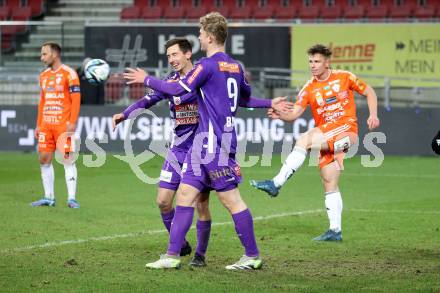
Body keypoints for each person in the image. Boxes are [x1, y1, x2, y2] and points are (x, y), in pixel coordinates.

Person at [124, 12, 292, 270]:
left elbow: (179, 89)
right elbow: (245, 99)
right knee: (185, 194)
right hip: (204, 145)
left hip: (215, 145)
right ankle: (171, 255)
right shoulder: (235, 67)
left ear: (210, 37)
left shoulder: (206, 65)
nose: (199, 37)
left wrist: (146, 79)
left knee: (231, 200)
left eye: (201, 33)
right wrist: (269, 102)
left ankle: (252, 255)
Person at [251, 44, 380, 241]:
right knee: (329, 181)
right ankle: (335, 231)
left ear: (327, 62)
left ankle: (276, 183)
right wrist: (280, 115)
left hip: (346, 130)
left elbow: (369, 91)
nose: (313, 65)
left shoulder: (345, 77)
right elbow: (294, 113)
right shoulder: (309, 87)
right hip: (328, 137)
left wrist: (373, 115)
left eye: (317, 61)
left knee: (305, 139)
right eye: (310, 61)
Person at [113, 38, 212, 266]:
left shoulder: (202, 77)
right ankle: (182, 245)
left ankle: (199, 255)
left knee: (201, 203)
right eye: (168, 56)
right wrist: (125, 114)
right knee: (163, 201)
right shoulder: (170, 81)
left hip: (200, 148)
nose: (171, 60)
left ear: (188, 54)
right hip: (177, 148)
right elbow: (148, 100)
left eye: (175, 54)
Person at [31, 42, 81, 209]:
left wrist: (72, 122)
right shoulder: (43, 75)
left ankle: (72, 198)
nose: (42, 57)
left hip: (63, 126)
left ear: (55, 54)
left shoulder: (70, 74)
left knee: (67, 159)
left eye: (44, 54)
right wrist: (38, 124)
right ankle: (48, 197)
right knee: (44, 159)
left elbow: (76, 100)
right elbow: (42, 101)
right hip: (46, 125)